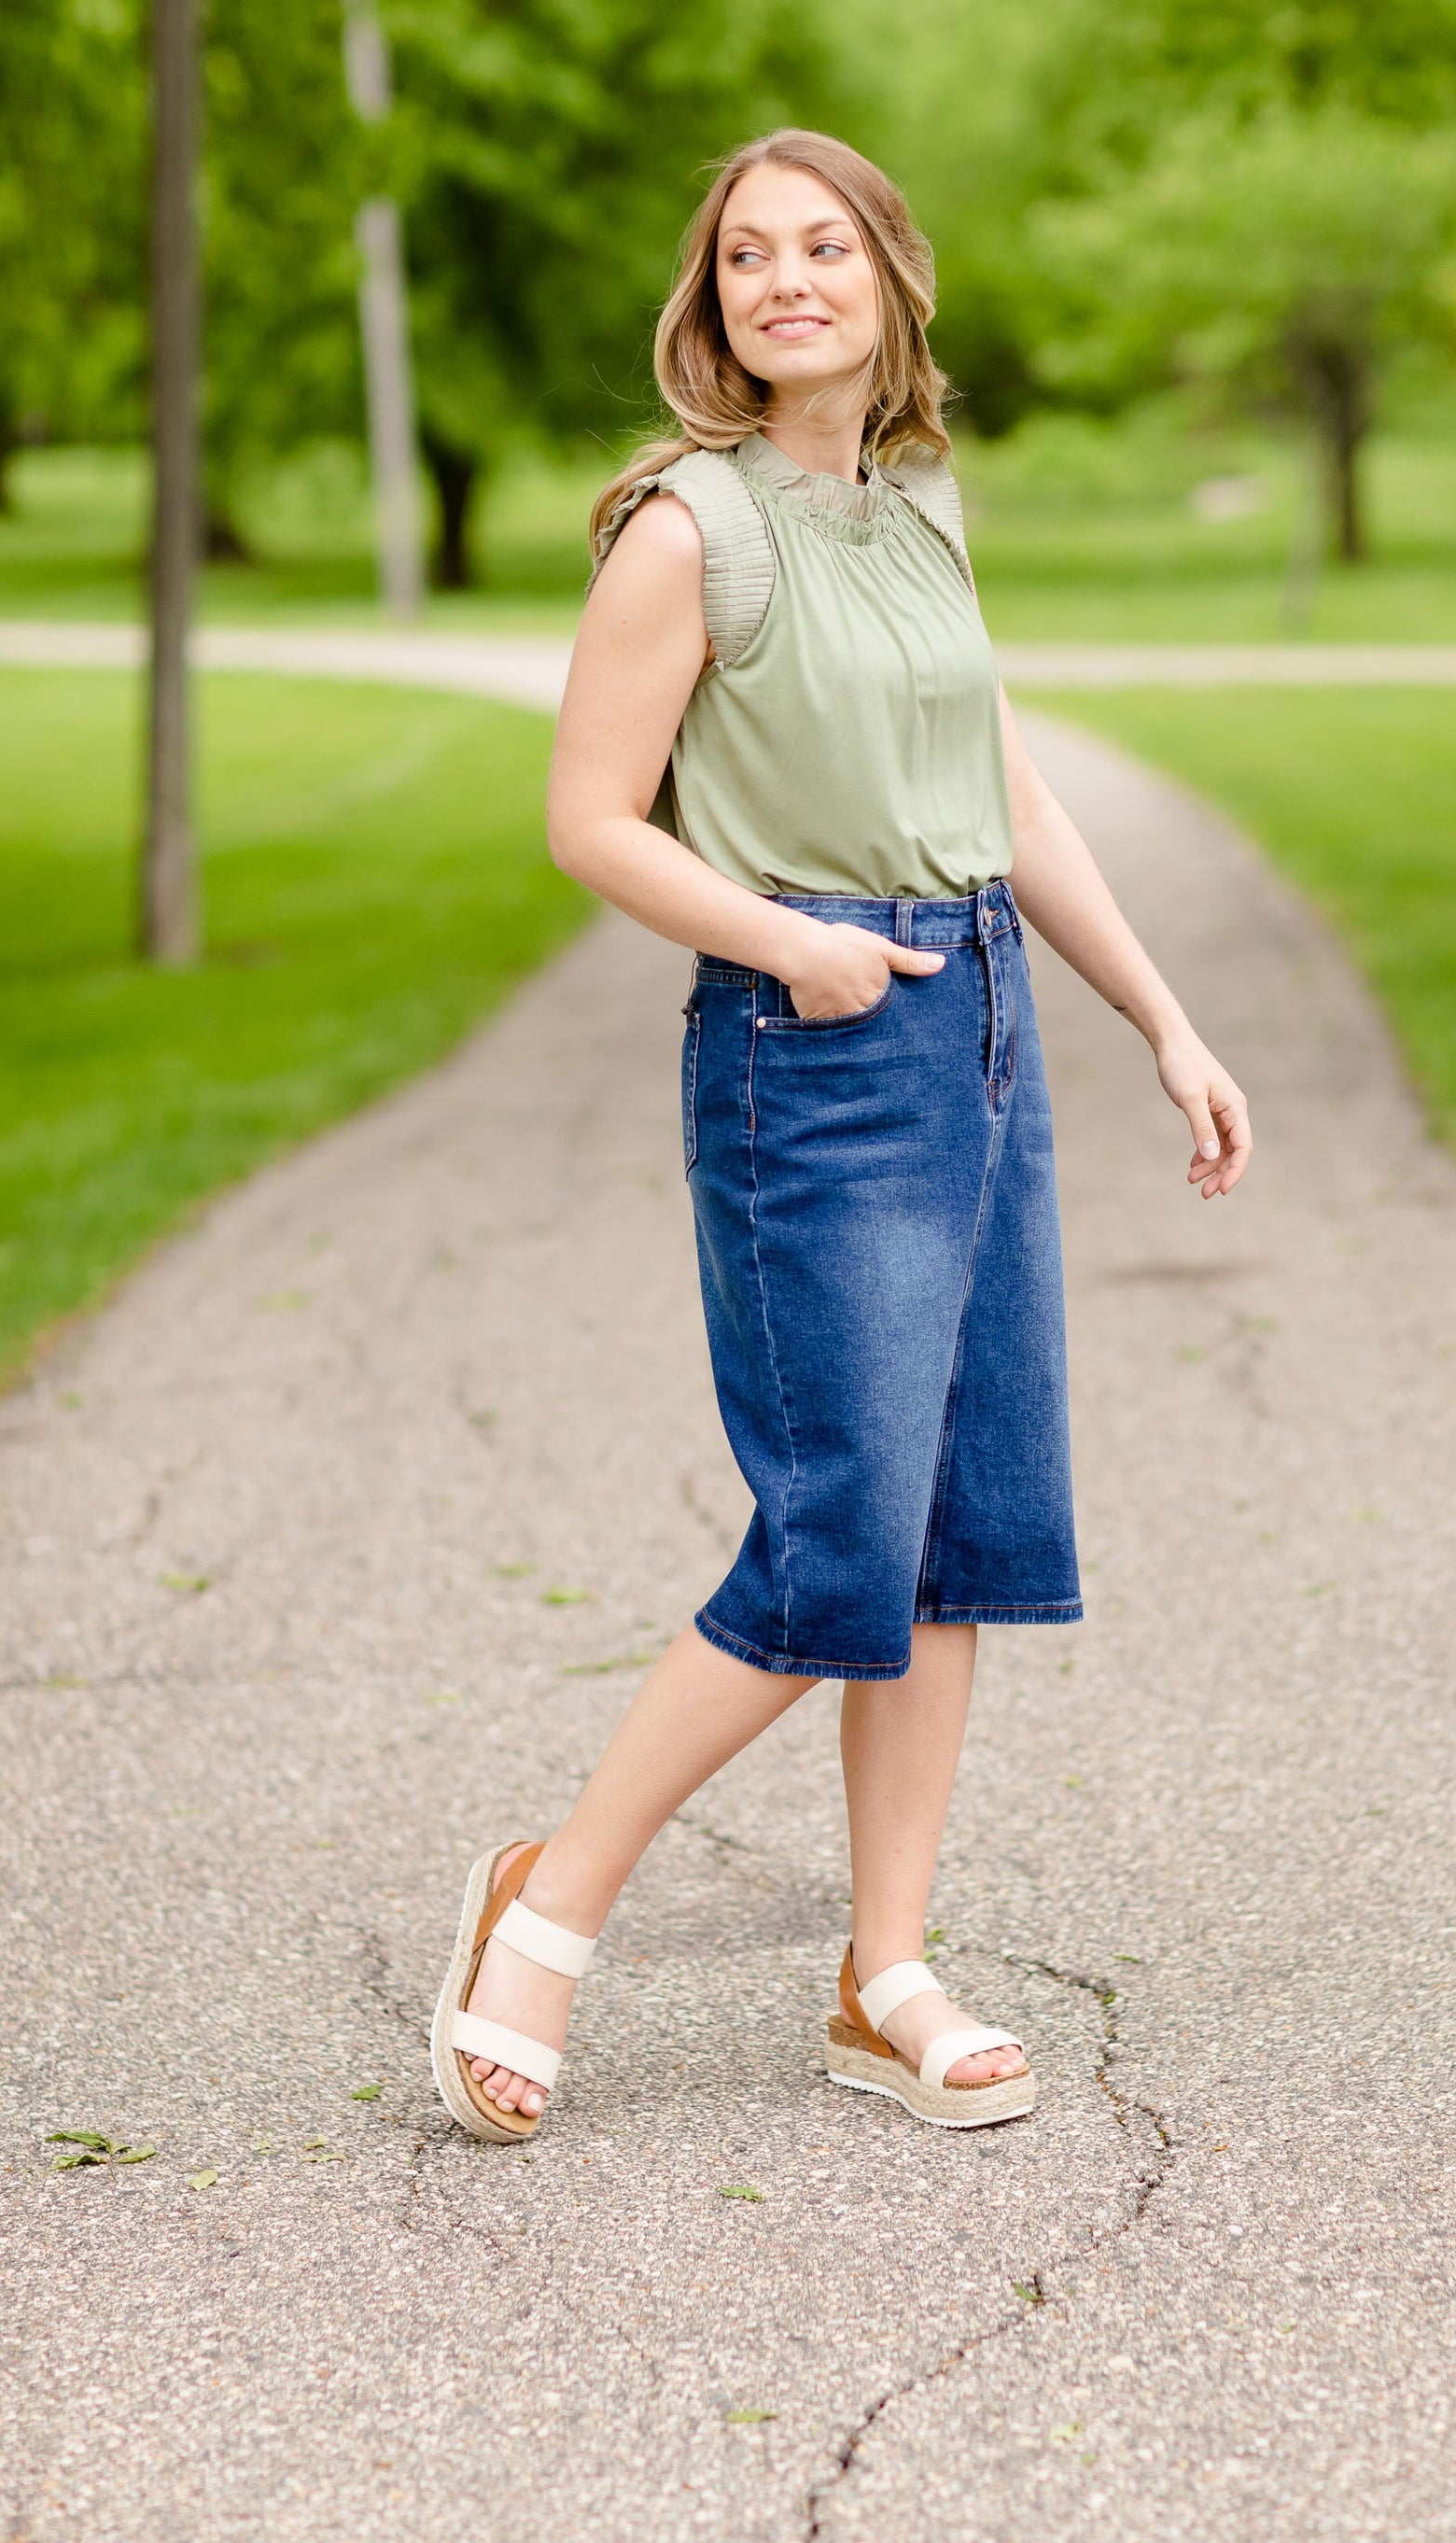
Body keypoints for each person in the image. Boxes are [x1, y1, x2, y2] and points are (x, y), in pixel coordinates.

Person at [429, 127, 1252, 2143]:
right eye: (743, 258)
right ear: (710, 309)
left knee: (959, 1533)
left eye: (821, 247)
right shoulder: (684, 529)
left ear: (888, 276)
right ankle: (548, 1906)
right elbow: (591, 819)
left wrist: (1158, 1014)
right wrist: (791, 947)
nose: (784, 280)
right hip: (815, 1046)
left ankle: (885, 1978)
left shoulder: (917, 507)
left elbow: (1009, 794)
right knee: (836, 1544)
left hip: (976, 1017)